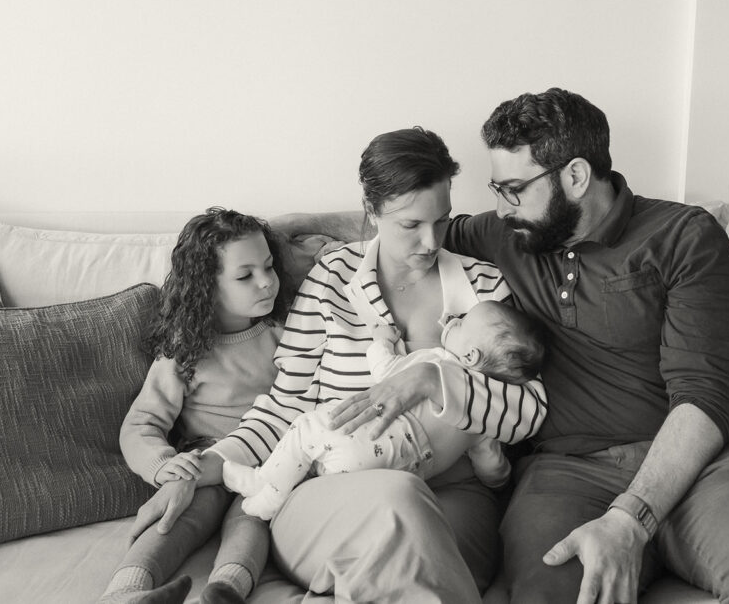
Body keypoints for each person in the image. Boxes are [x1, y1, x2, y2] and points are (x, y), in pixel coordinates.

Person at [274, 89, 729, 603]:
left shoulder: (684, 238)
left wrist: (631, 519)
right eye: (497, 189)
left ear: (574, 176)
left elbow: (706, 393)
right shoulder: (512, 234)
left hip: (708, 466)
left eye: (514, 189)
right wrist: (287, 230)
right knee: (544, 592)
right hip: (567, 475)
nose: (501, 206)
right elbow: (411, 224)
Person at [128, 127, 548, 603]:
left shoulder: (484, 291)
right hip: (327, 493)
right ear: (371, 212)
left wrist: (433, 379)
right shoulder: (332, 278)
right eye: (410, 225)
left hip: (452, 495)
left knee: (408, 532)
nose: (431, 242)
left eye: (442, 220)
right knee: (399, 502)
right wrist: (203, 468)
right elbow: (287, 405)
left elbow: (528, 411)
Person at [101, 207, 292, 604]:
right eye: (245, 275)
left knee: (251, 518)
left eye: (269, 267)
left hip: (268, 462)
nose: (266, 283)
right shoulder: (184, 352)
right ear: (206, 286)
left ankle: (225, 590)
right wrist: (163, 464)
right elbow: (141, 424)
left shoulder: (287, 334)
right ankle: (126, 594)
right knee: (174, 518)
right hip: (201, 464)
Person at [221, 299, 546, 520]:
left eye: (462, 324)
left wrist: (381, 341)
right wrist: (501, 484)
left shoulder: (436, 362)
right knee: (326, 472)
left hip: (371, 441)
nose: (454, 320)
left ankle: (265, 487)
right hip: (402, 477)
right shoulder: (483, 413)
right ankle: (287, 489)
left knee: (308, 428)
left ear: (471, 356)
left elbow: (386, 373)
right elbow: (490, 464)